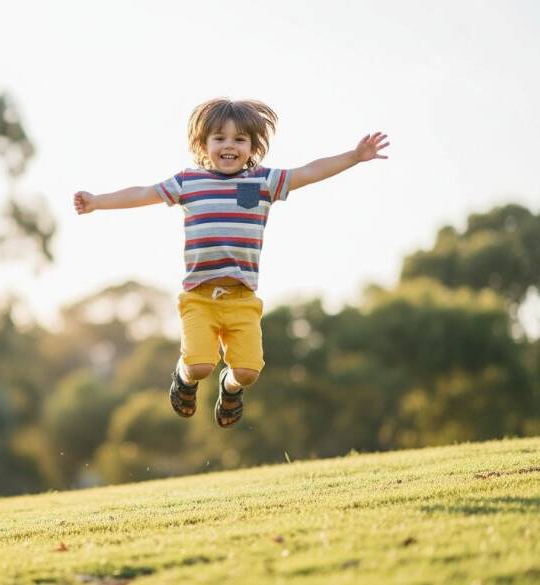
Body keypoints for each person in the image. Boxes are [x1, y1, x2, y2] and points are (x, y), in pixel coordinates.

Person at [73, 98, 389, 428]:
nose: (229, 146)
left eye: (239, 139)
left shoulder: (263, 181)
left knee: (248, 373)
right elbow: (142, 194)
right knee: (199, 366)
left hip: (241, 298)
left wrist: (354, 156)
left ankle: (230, 388)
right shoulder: (188, 183)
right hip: (199, 296)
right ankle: (183, 379)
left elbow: (309, 172)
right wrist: (98, 202)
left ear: (253, 146)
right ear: (203, 144)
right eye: (219, 138)